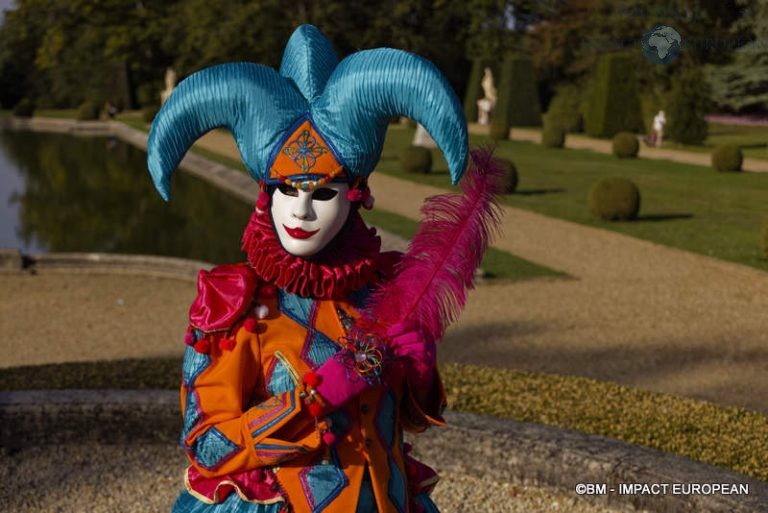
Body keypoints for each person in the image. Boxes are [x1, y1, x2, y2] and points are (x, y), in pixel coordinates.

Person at [147, 25, 487, 513]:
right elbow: (207, 443)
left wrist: (420, 373)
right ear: (267, 193)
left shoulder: (385, 291)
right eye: (287, 190)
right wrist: (311, 398)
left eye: (323, 192)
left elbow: (404, 418)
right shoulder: (237, 306)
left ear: (358, 197)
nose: (301, 211)